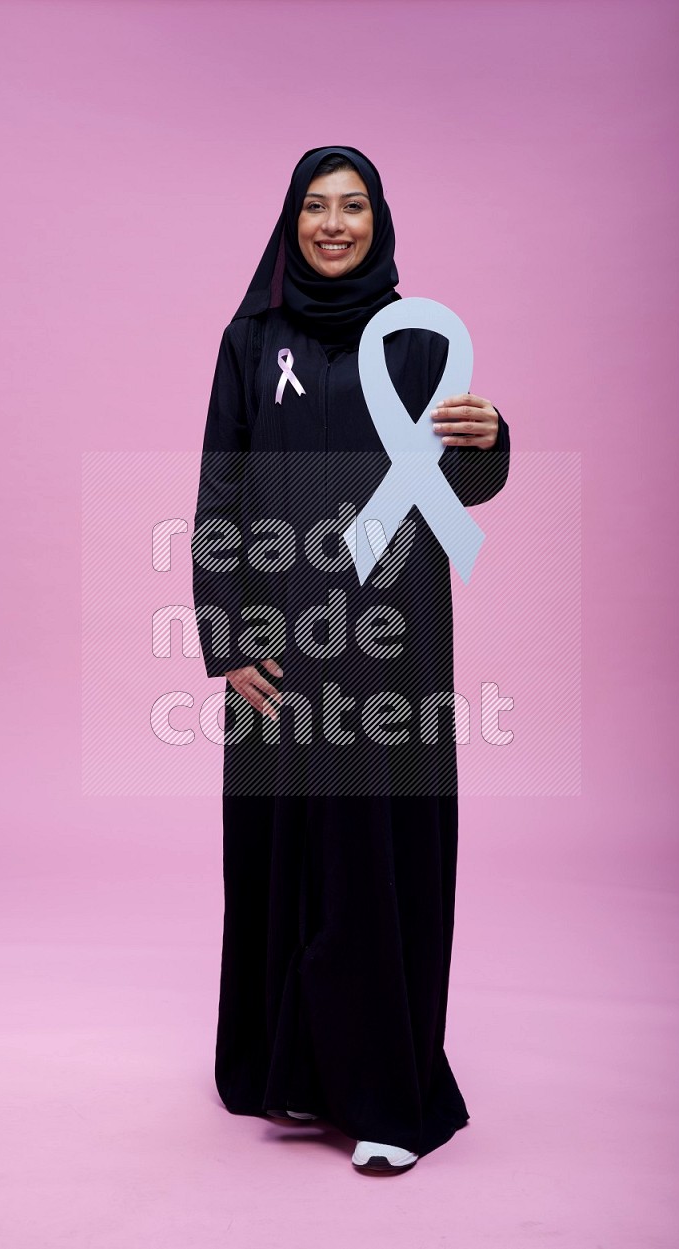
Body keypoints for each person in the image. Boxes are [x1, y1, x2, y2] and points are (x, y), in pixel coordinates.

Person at [191, 146, 510, 1174]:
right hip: (279, 653)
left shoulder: (414, 343)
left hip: (390, 651)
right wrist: (227, 638)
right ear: (291, 221)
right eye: (316, 207)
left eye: (353, 206)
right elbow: (220, 495)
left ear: (379, 220)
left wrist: (492, 436)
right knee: (281, 858)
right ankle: (282, 1069)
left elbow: (459, 483)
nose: (334, 224)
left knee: (376, 864)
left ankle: (384, 1096)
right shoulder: (251, 341)